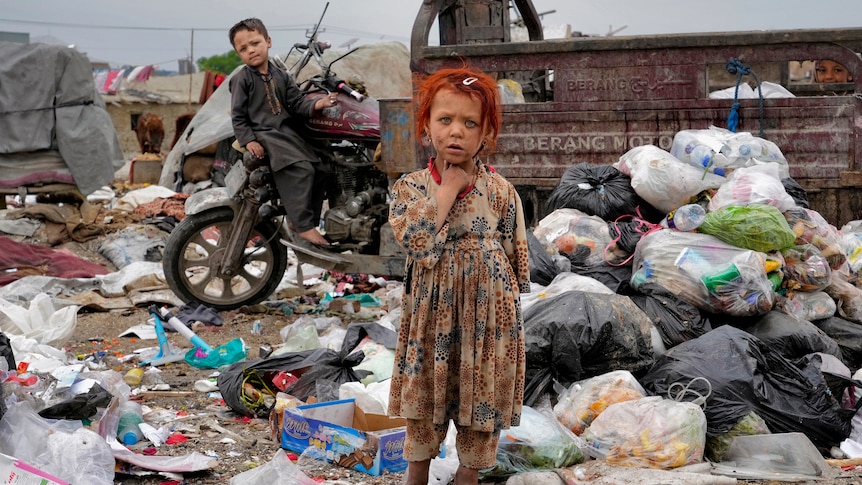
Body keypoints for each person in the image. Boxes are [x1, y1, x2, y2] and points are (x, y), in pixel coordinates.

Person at [387, 66, 530, 485]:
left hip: (488, 321)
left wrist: (505, 324)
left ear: (486, 133)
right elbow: (415, 240)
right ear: (426, 127)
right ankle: (416, 476)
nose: (456, 132)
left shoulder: (502, 190)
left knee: (481, 397)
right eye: (445, 120)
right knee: (426, 396)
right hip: (431, 318)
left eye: (470, 123)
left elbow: (513, 253)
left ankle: (467, 476)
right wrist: (447, 190)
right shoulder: (411, 189)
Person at [228, 18, 334, 247]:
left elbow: (297, 104)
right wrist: (248, 141)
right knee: (301, 168)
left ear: (268, 41)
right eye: (243, 49)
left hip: (286, 132)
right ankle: (302, 226)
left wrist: (318, 105)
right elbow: (237, 115)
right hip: (264, 134)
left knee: (322, 166)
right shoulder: (241, 79)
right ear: (239, 54)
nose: (251, 50)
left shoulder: (282, 76)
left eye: (255, 43)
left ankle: (309, 222)